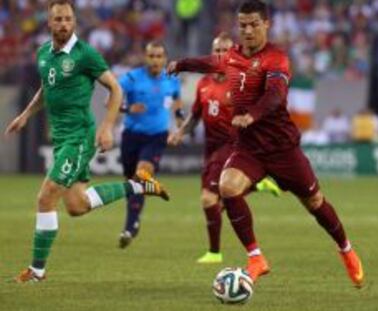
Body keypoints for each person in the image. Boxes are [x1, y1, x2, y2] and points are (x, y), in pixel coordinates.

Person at [167, 0, 364, 287]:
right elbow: (208, 62)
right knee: (227, 187)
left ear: (266, 25)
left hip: (282, 148)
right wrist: (180, 64)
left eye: (254, 25)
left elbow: (275, 94)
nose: (247, 30)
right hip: (249, 148)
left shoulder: (276, 59)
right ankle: (256, 257)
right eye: (243, 25)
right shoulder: (232, 56)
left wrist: (252, 114)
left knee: (314, 202)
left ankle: (346, 249)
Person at [4, 0, 168, 283]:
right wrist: (26, 114)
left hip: (80, 135)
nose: (64, 24)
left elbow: (115, 89)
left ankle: (37, 270)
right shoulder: (43, 53)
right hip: (61, 137)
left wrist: (106, 128)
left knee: (46, 196)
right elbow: (47, 88)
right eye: (58, 19)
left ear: (75, 22)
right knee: (77, 206)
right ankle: (138, 185)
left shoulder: (85, 54)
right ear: (49, 23)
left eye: (68, 19)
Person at [168, 33, 281, 264]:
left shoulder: (240, 81)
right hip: (210, 148)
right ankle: (256, 185)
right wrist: (180, 132)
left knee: (209, 200)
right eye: (216, 50)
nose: (220, 55)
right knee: (217, 203)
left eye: (224, 51)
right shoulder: (204, 83)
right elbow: (196, 116)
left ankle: (214, 253)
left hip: (233, 146)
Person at [117, 41, 184, 248]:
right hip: (131, 136)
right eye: (151, 56)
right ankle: (133, 222)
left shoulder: (171, 80)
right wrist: (128, 107)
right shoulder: (131, 79)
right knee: (133, 184)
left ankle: (129, 227)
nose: (155, 60)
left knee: (142, 175)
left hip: (157, 136)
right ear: (146, 58)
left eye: (159, 56)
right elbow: (112, 101)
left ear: (164, 59)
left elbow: (177, 100)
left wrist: (180, 125)